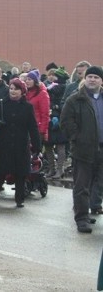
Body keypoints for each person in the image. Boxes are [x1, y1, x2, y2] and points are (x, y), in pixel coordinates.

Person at [60, 66, 103, 233]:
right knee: (82, 185)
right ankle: (82, 218)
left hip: (101, 148)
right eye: (89, 76)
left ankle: (92, 208)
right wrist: (77, 137)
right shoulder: (75, 99)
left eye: (96, 77)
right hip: (83, 149)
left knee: (98, 183)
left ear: (101, 80)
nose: (92, 79)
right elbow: (66, 122)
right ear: (85, 79)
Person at [0, 78, 42, 207]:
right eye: (11, 89)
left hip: (20, 144)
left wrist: (37, 146)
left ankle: (19, 198)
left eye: (16, 89)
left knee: (20, 173)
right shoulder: (1, 104)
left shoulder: (28, 107)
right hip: (3, 143)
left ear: (22, 91)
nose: (13, 91)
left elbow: (33, 127)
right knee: (0, 171)